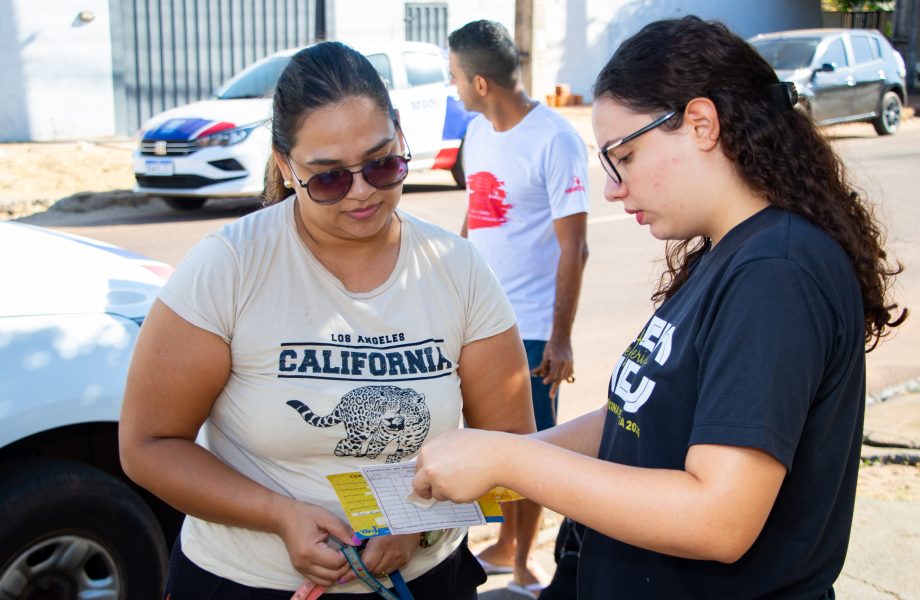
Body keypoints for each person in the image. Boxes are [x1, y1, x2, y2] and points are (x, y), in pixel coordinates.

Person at [413, 16, 908, 600]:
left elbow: (717, 518)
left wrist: (505, 461)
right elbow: (634, 416)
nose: (614, 188)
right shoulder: (728, 253)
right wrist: (504, 460)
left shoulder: (777, 272)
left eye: (623, 155)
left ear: (699, 123)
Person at [119, 41, 536, 600]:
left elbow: (512, 447)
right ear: (285, 166)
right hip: (245, 583)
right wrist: (279, 515)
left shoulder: (456, 269)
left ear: (403, 139)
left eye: (383, 162)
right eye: (330, 177)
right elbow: (149, 444)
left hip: (427, 580)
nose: (362, 191)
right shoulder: (231, 265)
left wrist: (423, 523)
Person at [447, 20, 590, 597]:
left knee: (529, 448)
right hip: (476, 322)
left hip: (530, 327)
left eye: (454, 76)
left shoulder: (555, 139)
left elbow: (574, 247)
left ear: (480, 82)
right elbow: (474, 220)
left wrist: (559, 339)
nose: (451, 87)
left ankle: (527, 561)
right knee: (486, 441)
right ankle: (505, 543)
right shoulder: (478, 133)